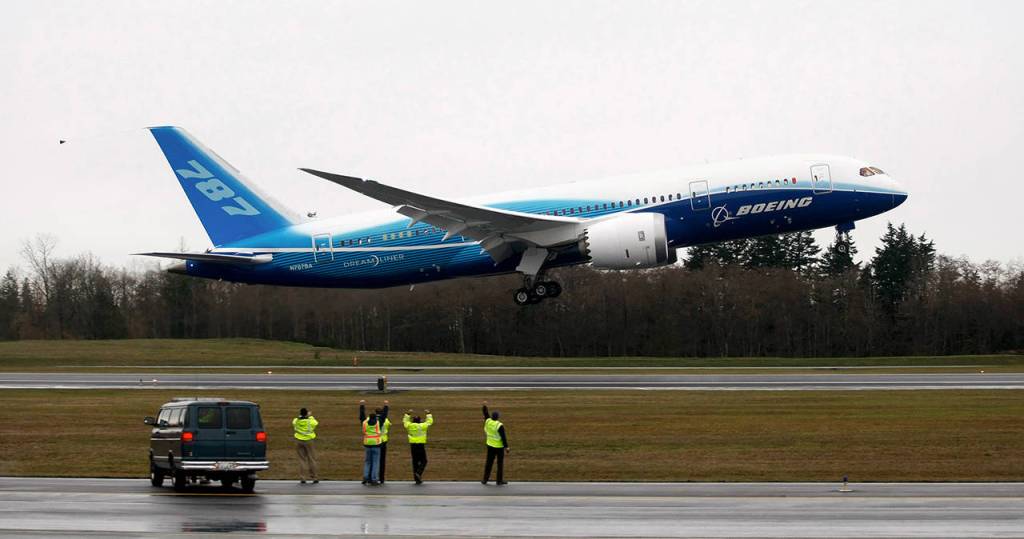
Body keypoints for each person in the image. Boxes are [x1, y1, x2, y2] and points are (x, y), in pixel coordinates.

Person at [481, 401, 510, 485]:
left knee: (488, 463)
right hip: (499, 447)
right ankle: (499, 481)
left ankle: (485, 480)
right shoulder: (499, 425)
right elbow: (503, 437)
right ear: (498, 417)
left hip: (490, 446)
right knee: (499, 464)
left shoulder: (488, 421)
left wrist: (484, 406)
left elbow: (485, 414)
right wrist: (506, 447)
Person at [403, 409, 434, 484]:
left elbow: (405, 421)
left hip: (413, 445)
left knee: (415, 462)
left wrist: (408, 414)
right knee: (424, 461)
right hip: (420, 445)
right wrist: (428, 414)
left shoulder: (410, 426)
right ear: (420, 421)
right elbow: (429, 422)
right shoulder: (422, 426)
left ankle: (416, 478)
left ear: (413, 420)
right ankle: (419, 473)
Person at [359, 399, 385, 485]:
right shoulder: (378, 422)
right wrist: (386, 406)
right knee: (375, 462)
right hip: (376, 444)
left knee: (367, 462)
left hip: (367, 443)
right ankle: (374, 479)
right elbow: (384, 416)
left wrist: (362, 406)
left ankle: (365, 477)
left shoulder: (365, 422)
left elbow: (362, 416)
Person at [292, 408, 319, 484]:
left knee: (302, 460)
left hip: (298, 440)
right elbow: (316, 423)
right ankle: (314, 477)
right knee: (311, 459)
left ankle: (303, 477)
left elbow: (295, 420)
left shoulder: (296, 421)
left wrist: (302, 416)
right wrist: (310, 416)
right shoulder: (310, 421)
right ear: (307, 414)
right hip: (309, 440)